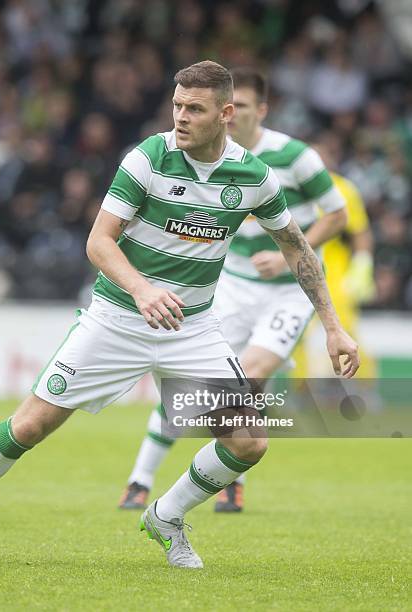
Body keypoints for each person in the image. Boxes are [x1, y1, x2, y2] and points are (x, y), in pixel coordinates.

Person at [0, 61, 358, 570]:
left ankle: (166, 515)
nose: (180, 117)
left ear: (226, 114)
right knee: (28, 426)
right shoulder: (148, 158)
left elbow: (298, 250)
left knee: (249, 442)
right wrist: (142, 290)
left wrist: (333, 327)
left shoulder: (254, 176)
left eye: (194, 109)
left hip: (193, 329)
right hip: (116, 318)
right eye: (177, 105)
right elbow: (99, 241)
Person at [119, 68, 347, 513]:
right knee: (199, 385)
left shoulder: (295, 157)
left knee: (243, 378)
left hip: (285, 293)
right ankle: (140, 480)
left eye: (243, 107)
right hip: (231, 286)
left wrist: (290, 256)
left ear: (258, 110)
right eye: (231, 107)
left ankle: (228, 479)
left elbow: (337, 215)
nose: (234, 115)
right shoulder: (202, 156)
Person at [291, 131, 376, 379]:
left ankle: (364, 385)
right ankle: (302, 388)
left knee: (346, 328)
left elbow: (360, 231)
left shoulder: (343, 188)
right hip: (299, 271)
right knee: (296, 333)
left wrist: (362, 265)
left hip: (335, 272)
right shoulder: (291, 189)